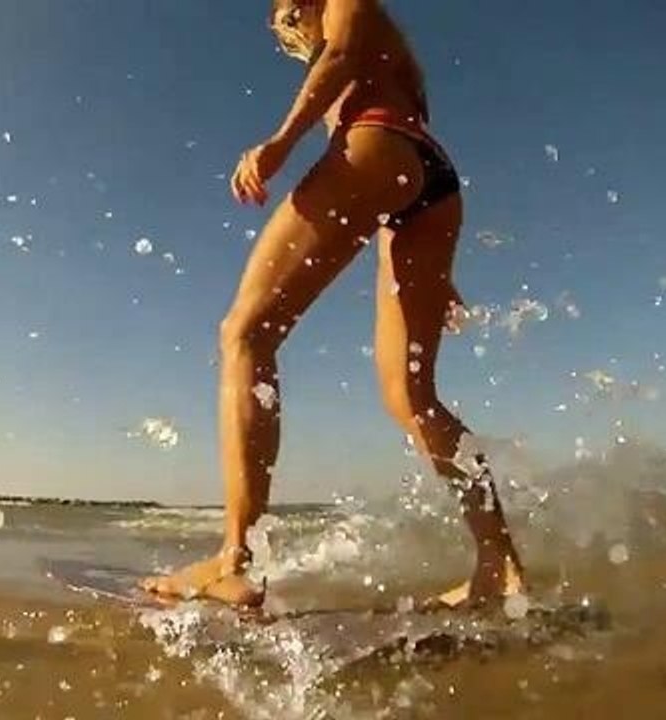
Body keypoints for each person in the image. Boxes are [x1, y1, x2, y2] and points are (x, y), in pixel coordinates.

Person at [141, 0, 525, 609]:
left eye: (289, 15)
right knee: (411, 395)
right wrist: (428, 268)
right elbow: (393, 155)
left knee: (246, 333)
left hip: (376, 145)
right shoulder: (391, 51)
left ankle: (237, 560)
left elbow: (342, 60)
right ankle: (500, 569)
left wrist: (279, 143)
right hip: (424, 178)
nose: (286, 25)